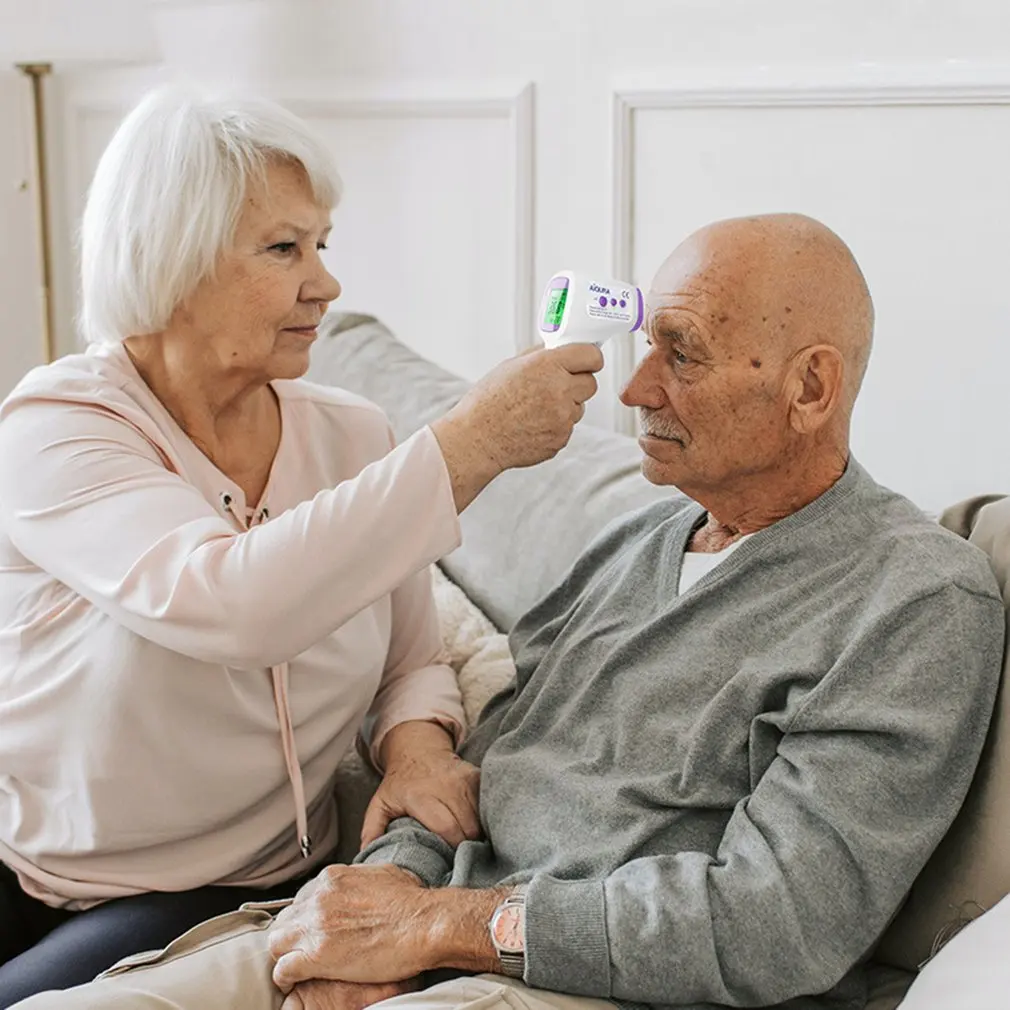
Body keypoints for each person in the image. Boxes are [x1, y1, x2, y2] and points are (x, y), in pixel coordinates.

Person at [13, 214, 1004, 1010]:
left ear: (810, 386)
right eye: (645, 345)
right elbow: (479, 767)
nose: (634, 387)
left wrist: (445, 928)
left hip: (577, 983)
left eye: (683, 355)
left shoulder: (911, 600)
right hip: (429, 930)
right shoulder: (638, 546)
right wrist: (384, 896)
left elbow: (776, 923)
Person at [0, 85, 603, 1006]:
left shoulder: (352, 435)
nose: (325, 284)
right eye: (284, 248)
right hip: (28, 865)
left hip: (217, 886)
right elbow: (232, 603)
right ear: (169, 258)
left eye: (323, 244)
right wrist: (471, 442)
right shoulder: (58, 427)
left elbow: (412, 659)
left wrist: (416, 750)